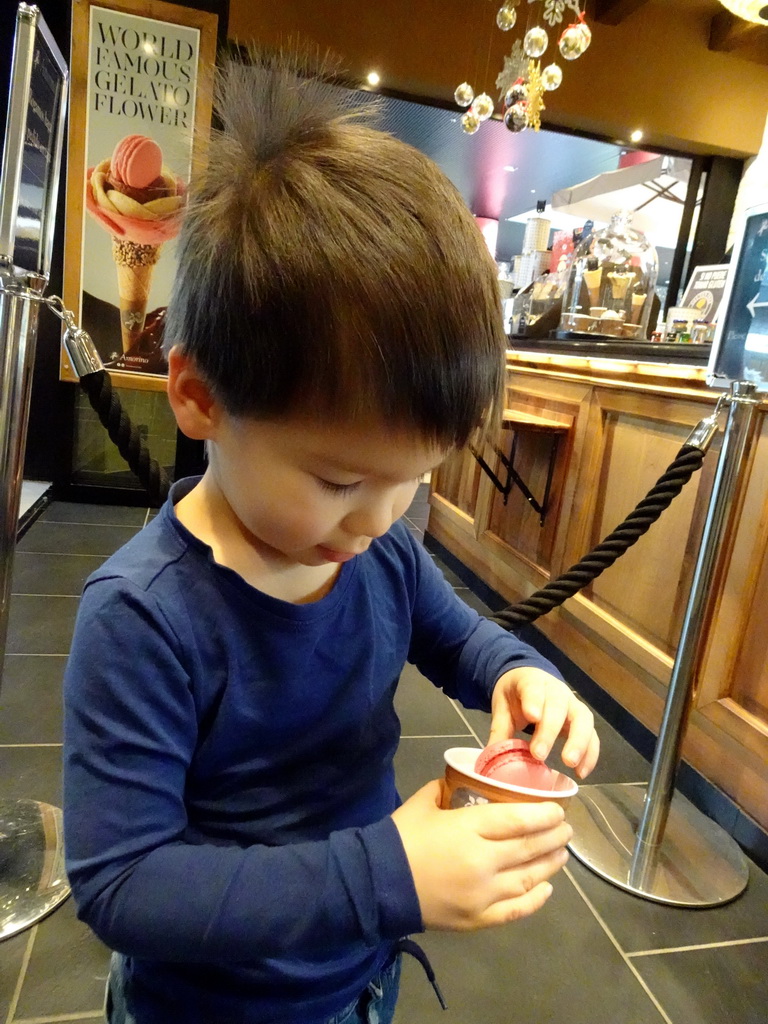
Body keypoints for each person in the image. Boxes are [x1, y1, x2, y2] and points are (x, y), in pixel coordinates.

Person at [63, 49, 600, 1024]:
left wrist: (523, 673)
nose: (380, 518)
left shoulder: (377, 543)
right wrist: (385, 874)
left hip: (359, 981)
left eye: (413, 483)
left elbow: (456, 635)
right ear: (199, 397)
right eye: (342, 479)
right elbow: (123, 885)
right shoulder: (145, 620)